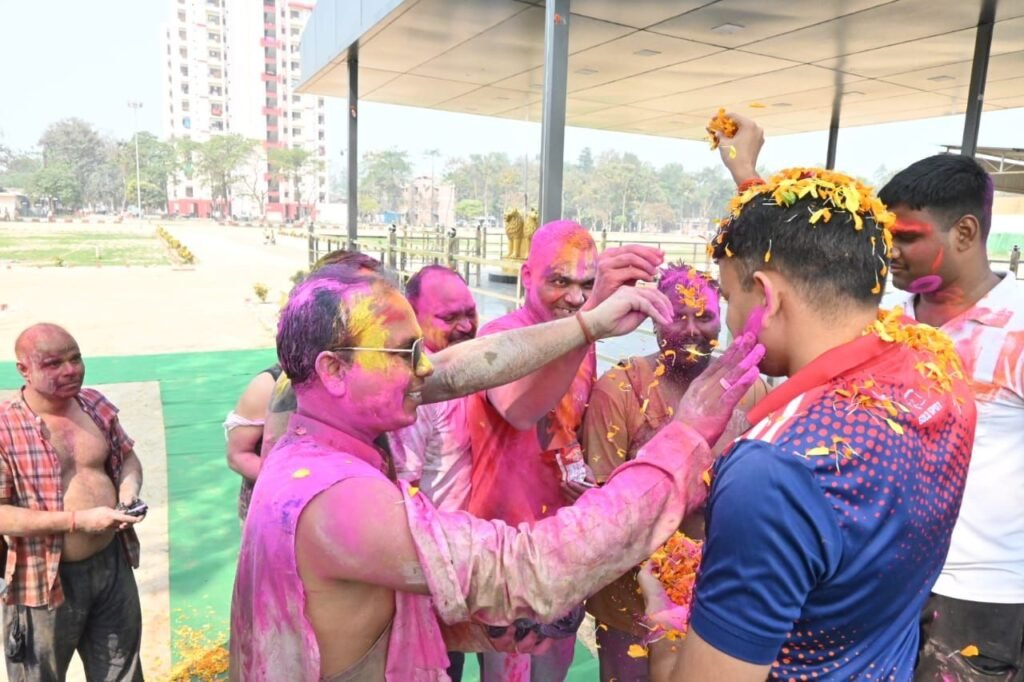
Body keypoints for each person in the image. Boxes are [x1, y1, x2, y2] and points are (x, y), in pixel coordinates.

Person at [230, 263, 766, 680]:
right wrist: (685, 438)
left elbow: (458, 367)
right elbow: (533, 569)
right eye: (406, 352)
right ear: (333, 369)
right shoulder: (339, 501)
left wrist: (588, 325)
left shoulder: (306, 421)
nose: (425, 365)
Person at [639, 159, 978, 679]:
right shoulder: (938, 366)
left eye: (728, 299)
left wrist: (664, 624)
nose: (729, 323)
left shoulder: (776, 467)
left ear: (766, 295)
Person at [466, 221, 664, 680]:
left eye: (586, 285)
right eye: (559, 281)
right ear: (526, 276)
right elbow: (519, 409)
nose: (574, 298)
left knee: (553, 670)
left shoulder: (582, 340)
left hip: (563, 543)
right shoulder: (498, 334)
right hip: (505, 551)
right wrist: (589, 323)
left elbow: (564, 428)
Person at [581, 263, 766, 682]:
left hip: (715, 589)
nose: (692, 330)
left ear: (722, 317)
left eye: (704, 316)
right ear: (654, 319)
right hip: (629, 590)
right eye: (678, 316)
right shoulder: (620, 389)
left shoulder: (748, 387)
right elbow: (600, 502)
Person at [878, 155, 1024, 680]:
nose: (889, 251)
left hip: (982, 597)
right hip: (882, 581)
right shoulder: (883, 325)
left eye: (906, 236)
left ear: (964, 232)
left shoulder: (1018, 328)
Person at [0, 324, 145, 681]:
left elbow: (127, 458)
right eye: (53, 363)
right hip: (43, 578)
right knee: (38, 675)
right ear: (24, 370)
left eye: (75, 358)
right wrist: (78, 521)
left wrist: (128, 492)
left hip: (112, 565)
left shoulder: (93, 404)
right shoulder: (4, 427)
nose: (70, 370)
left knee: (123, 672)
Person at [388, 264, 479, 680]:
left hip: (472, 561)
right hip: (432, 572)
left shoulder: (470, 370)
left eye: (470, 312)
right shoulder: (416, 392)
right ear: (413, 318)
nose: (466, 326)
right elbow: (403, 495)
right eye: (449, 317)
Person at [224, 363, 283, 521]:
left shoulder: (342, 378)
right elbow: (237, 456)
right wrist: (296, 484)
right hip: (271, 509)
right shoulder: (268, 385)